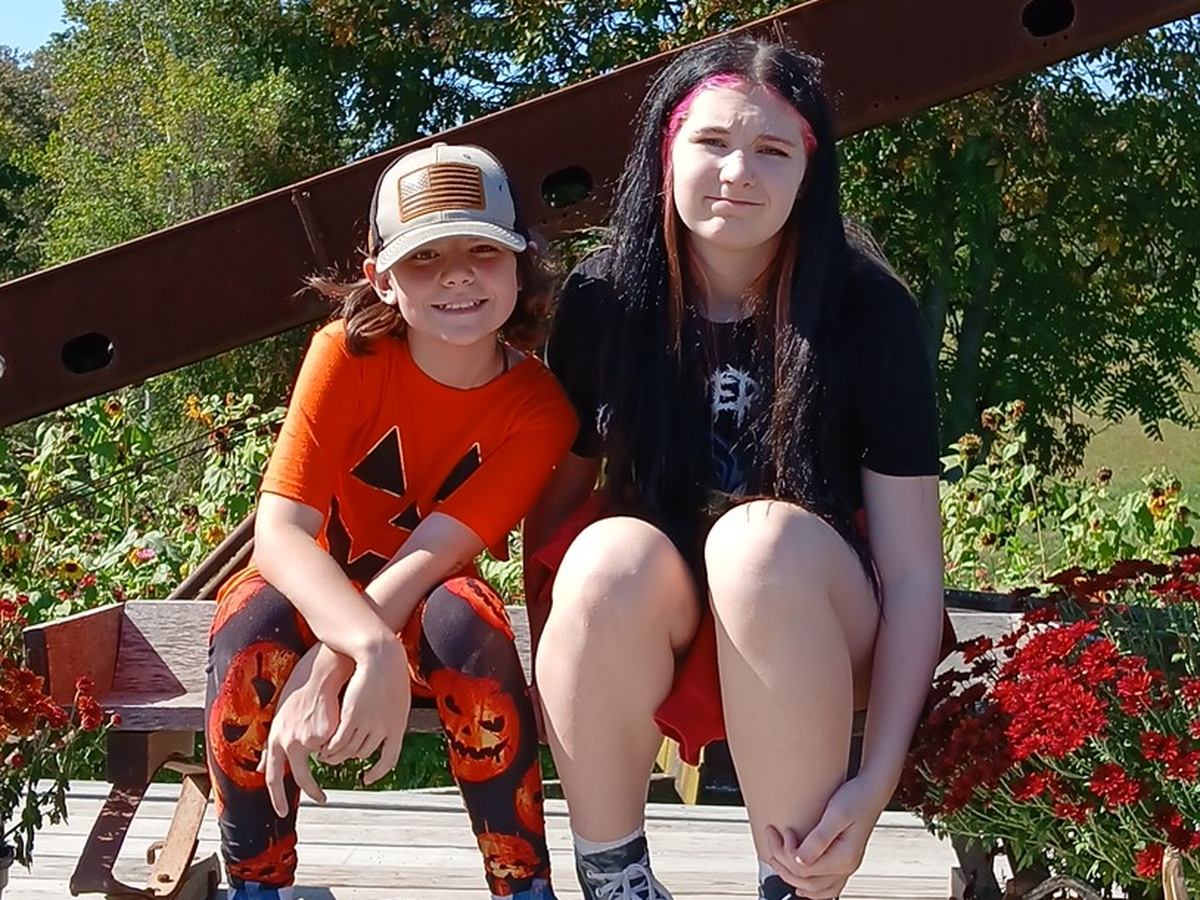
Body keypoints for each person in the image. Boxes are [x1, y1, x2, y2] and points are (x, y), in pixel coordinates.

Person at [524, 38, 945, 900]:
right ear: (665, 150)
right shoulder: (603, 300)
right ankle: (614, 877)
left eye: (773, 150)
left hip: (818, 623)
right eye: (712, 141)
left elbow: (911, 576)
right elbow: (550, 526)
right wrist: (562, 676)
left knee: (756, 546)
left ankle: (796, 878)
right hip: (660, 621)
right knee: (603, 558)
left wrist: (876, 782)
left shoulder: (868, 309)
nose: (738, 172)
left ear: (809, 173)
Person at [205, 142, 577, 900]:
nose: (457, 275)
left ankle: (522, 884)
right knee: (251, 619)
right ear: (380, 277)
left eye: (483, 250)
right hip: (316, 597)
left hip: (423, 605)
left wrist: (342, 661)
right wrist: (362, 644)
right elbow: (280, 532)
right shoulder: (346, 357)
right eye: (424, 257)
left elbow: (432, 553)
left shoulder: (539, 410)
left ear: (520, 264)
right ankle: (257, 882)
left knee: (468, 617)